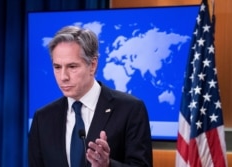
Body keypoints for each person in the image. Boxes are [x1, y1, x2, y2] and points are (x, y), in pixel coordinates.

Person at [28, 26, 153, 167]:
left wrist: (108, 165)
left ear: (92, 65)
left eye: (72, 67)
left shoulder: (130, 109)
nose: (63, 77)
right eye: (57, 67)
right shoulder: (43, 118)